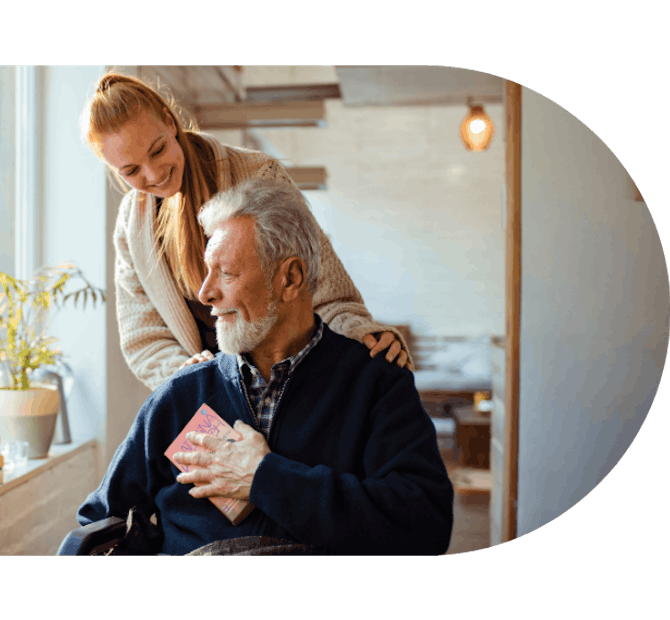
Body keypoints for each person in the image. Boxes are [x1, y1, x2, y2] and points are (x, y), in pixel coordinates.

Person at [77, 178, 454, 555]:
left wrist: (264, 478)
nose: (205, 292)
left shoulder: (376, 384)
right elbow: (99, 522)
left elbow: (425, 528)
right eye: (207, 272)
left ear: (290, 278)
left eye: (226, 273)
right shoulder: (182, 394)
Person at [82, 71, 412, 391]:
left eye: (157, 150)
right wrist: (183, 376)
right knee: (171, 446)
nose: (153, 174)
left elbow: (322, 283)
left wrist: (362, 332)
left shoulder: (258, 174)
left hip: (288, 379)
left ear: (170, 122)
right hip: (205, 393)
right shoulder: (132, 225)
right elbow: (144, 337)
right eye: (131, 170)